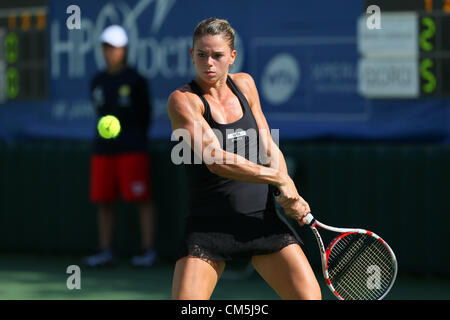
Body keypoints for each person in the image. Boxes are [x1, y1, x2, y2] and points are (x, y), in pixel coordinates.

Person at [167, 18, 321, 299]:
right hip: (208, 224)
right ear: (191, 55)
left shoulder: (246, 85)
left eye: (217, 55)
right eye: (201, 54)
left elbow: (268, 146)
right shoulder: (182, 100)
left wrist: (289, 189)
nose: (209, 62)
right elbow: (215, 160)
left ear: (232, 57)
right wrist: (276, 178)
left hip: (261, 220)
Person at [84, 25, 157, 268]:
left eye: (114, 47)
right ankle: (105, 250)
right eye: (106, 47)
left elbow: (146, 116)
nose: (109, 52)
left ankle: (148, 250)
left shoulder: (136, 80)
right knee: (104, 200)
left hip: (132, 148)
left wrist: (134, 138)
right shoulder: (97, 81)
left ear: (124, 49)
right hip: (103, 150)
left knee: (141, 198)